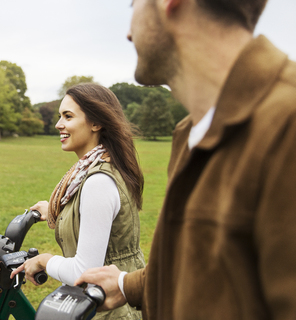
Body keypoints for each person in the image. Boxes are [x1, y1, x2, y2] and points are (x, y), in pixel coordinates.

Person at [75, 0, 296, 319]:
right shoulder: (190, 132)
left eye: (133, 4)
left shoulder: (286, 126)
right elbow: (208, 267)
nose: (127, 33)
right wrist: (127, 284)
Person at [11, 83, 146, 319]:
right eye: (59, 116)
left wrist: (43, 261)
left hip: (110, 311)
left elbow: (83, 272)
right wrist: (53, 210)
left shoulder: (98, 182)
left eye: (68, 116)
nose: (58, 124)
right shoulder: (98, 169)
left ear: (96, 123)